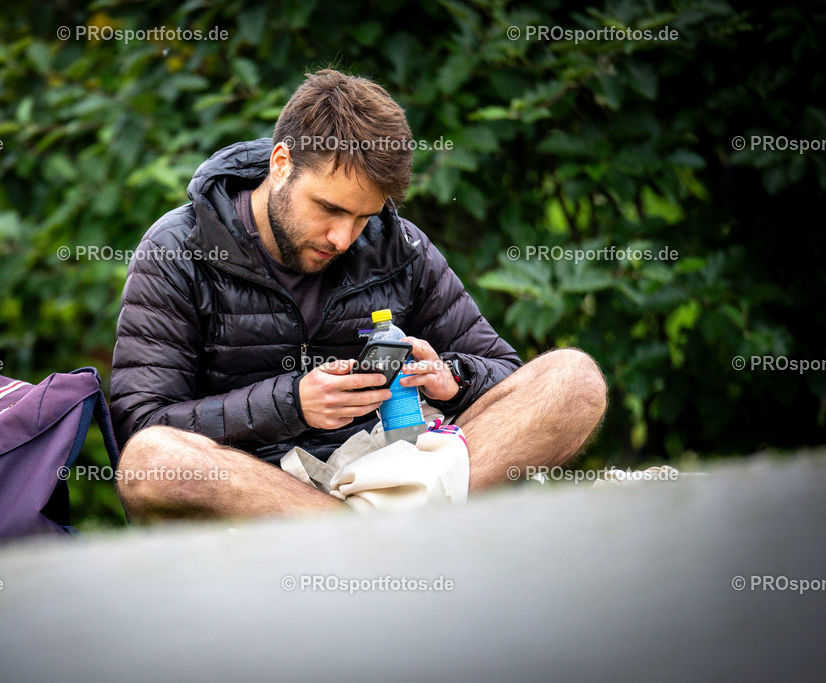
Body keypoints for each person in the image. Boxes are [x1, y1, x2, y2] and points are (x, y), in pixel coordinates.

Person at [110, 69, 607, 520]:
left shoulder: (400, 245)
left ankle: (388, 525)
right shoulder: (177, 249)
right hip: (266, 495)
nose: (343, 238)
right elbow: (142, 424)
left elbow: (506, 375)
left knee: (575, 379)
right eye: (329, 208)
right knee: (151, 461)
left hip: (399, 473)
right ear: (281, 164)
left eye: (363, 217)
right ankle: (361, 535)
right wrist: (290, 404)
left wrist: (452, 378)